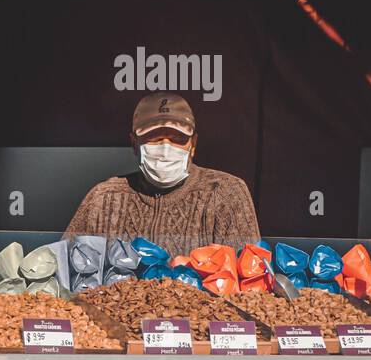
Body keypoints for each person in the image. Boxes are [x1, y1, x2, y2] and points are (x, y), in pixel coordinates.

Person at [63, 94, 260, 256]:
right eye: (154, 138)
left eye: (177, 139)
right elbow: (63, 269)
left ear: (193, 145)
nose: (166, 148)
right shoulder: (103, 197)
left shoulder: (225, 192)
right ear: (134, 143)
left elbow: (250, 285)